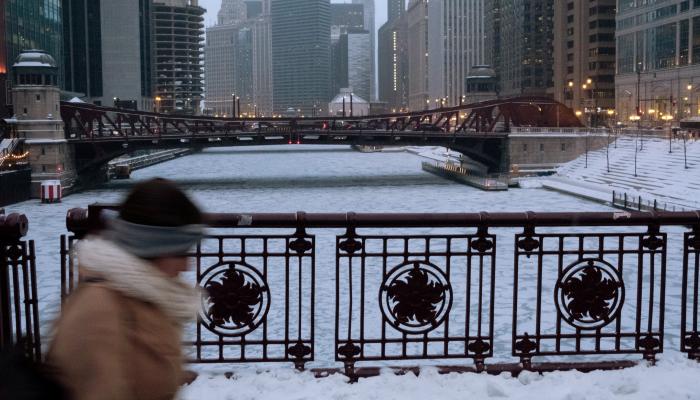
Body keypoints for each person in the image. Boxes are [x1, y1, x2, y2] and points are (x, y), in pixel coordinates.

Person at [47, 178, 204, 400]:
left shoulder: (146, 295)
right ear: (151, 247)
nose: (187, 265)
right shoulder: (99, 311)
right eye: (180, 252)